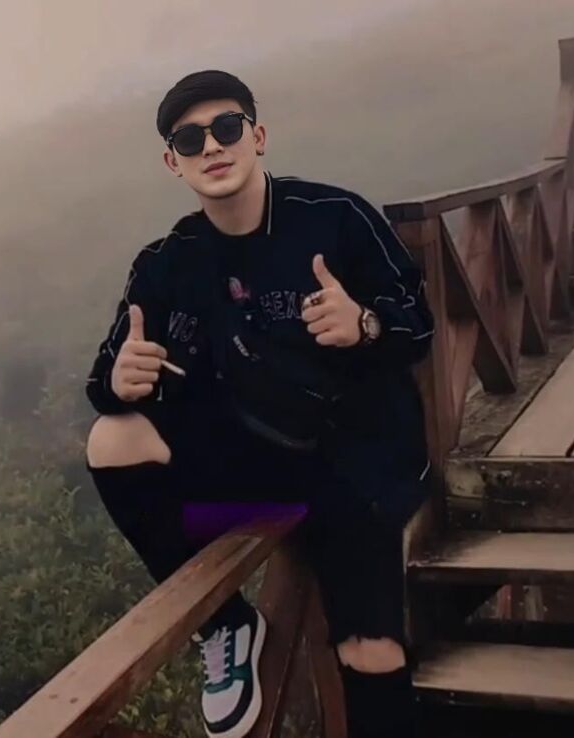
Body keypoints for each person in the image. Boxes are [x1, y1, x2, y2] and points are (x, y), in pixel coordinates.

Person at [84, 70, 434, 738]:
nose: (212, 146)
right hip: (250, 475)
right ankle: (224, 624)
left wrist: (365, 324)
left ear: (258, 136)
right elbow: (108, 373)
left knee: (369, 650)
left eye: (227, 127)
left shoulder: (336, 218)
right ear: (174, 162)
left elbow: (418, 324)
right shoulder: (167, 262)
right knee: (112, 437)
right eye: (191, 139)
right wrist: (117, 381)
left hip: (353, 464)